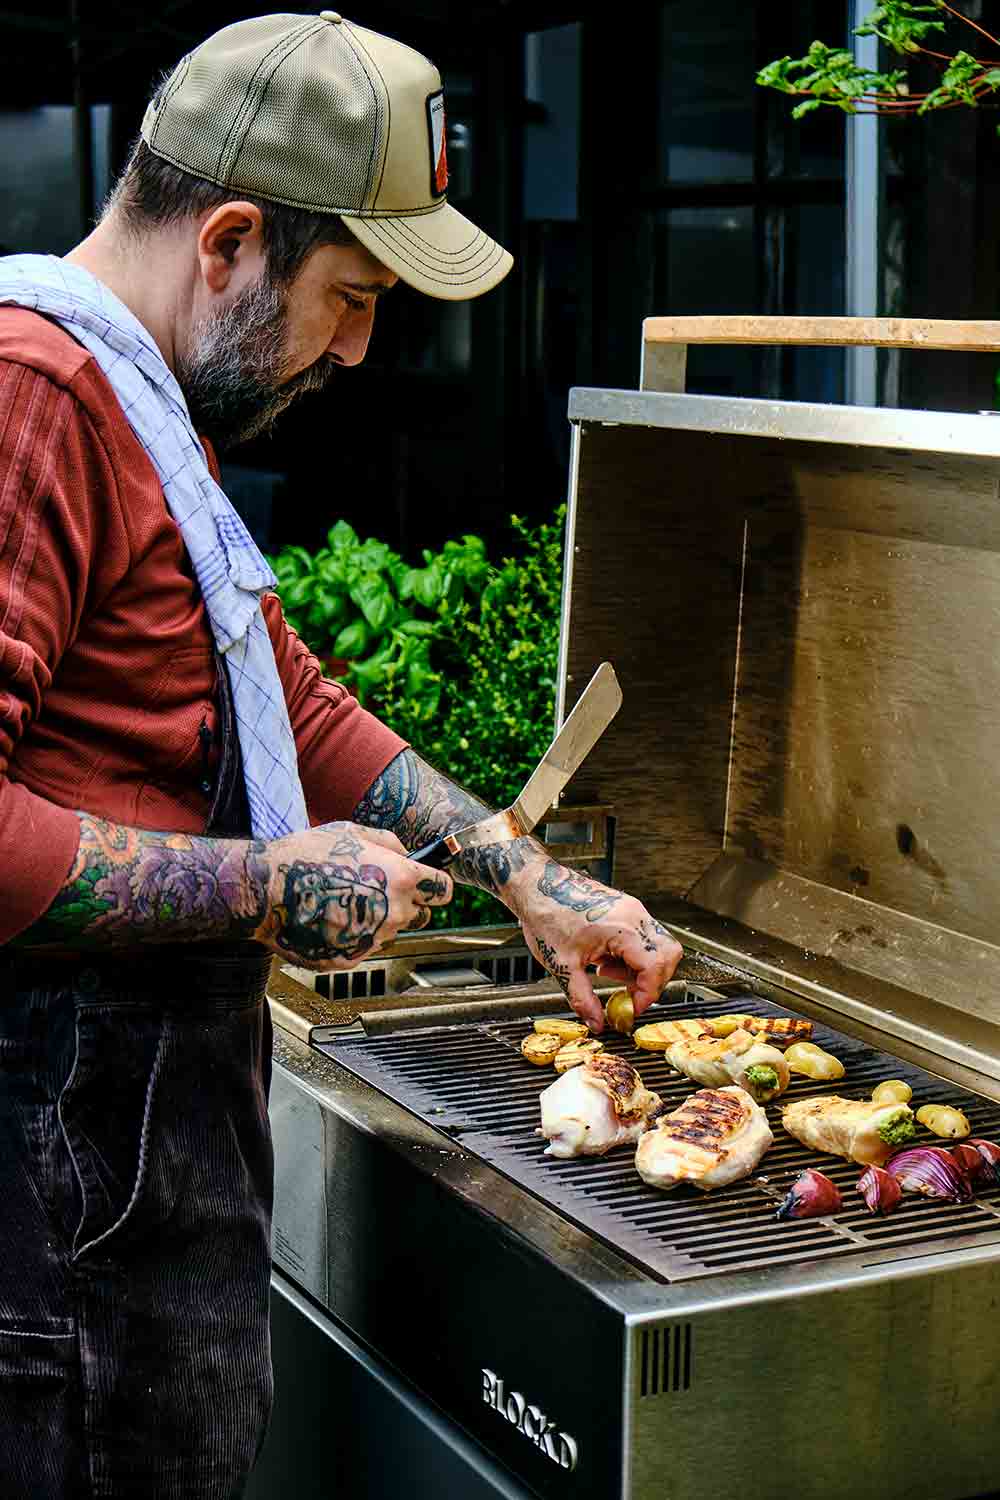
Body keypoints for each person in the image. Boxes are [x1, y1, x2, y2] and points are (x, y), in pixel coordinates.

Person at [0, 12, 683, 1498]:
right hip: (53, 1200)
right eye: (350, 295)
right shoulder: (35, 397)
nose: (363, 349)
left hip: (134, 1158)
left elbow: (291, 704)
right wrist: (267, 887)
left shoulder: (142, 406)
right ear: (233, 238)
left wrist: (526, 879)